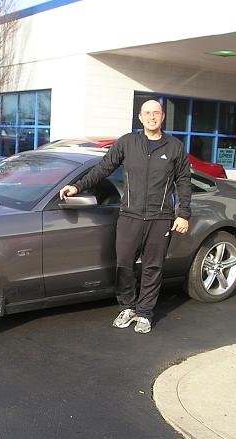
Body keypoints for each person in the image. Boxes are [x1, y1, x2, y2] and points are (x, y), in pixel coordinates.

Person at [59, 99, 191, 333]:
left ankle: (145, 313)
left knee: (153, 267)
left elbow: (183, 181)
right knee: (124, 265)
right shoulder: (128, 142)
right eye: (147, 113)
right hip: (129, 215)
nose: (152, 117)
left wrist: (184, 214)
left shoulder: (175, 147)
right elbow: (103, 168)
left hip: (160, 217)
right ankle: (127, 307)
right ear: (140, 118)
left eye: (156, 113)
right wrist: (77, 187)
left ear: (162, 117)